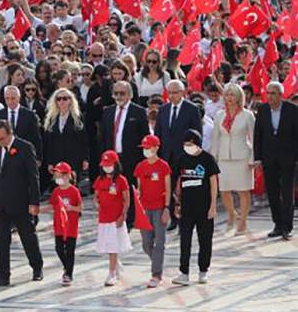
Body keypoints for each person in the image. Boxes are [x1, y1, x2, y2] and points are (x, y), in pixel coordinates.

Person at [0, 120, 43, 287]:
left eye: (2, 138)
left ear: (10, 133)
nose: (0, 141)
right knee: (1, 240)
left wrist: (34, 202)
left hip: (20, 201)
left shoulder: (25, 147)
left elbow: (33, 177)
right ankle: (3, 275)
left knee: (28, 236)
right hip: (1, 202)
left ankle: (37, 267)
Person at [171, 130, 219, 286]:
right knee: (185, 241)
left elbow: (213, 183)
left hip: (204, 207)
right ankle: (184, 272)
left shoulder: (207, 159)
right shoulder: (181, 159)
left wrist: (213, 206)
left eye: (190, 144)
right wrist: (177, 204)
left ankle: (203, 271)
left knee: (205, 240)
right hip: (186, 208)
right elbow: (177, 182)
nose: (188, 147)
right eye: (185, 144)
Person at [154, 80, 202, 231]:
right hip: (167, 157)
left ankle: (185, 221)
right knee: (168, 190)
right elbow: (158, 132)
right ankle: (174, 219)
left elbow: (197, 134)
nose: (172, 95)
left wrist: (193, 155)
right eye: (170, 92)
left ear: (183, 93)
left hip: (185, 156)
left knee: (185, 191)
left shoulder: (192, 109)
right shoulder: (163, 109)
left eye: (175, 92)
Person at [100, 81, 149, 228]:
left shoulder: (138, 112)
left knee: (129, 188)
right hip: (112, 158)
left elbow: (144, 136)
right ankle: (115, 216)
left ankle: (131, 218)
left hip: (131, 157)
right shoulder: (108, 112)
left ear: (129, 95)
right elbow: (103, 136)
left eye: (122, 93)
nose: (119, 96)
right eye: (116, 93)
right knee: (113, 189)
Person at [253, 82, 298, 241]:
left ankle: (287, 226)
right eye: (268, 93)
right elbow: (258, 135)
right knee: (272, 193)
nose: (269, 96)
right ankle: (277, 225)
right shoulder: (263, 110)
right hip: (268, 158)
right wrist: (257, 158)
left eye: (273, 93)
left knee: (287, 194)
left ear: (281, 95)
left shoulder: (292, 110)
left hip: (288, 159)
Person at [210, 82, 255, 235]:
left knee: (243, 191)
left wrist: (253, 159)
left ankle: (243, 220)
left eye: (232, 95)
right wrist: (212, 158)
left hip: (242, 156)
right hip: (223, 157)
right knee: (224, 190)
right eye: (227, 95)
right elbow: (215, 137)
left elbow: (253, 138)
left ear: (238, 97)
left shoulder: (247, 115)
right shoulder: (219, 115)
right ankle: (231, 214)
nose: (229, 98)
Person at [134, 135, 172, 288]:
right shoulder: (140, 167)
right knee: (146, 243)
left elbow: (168, 188)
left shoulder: (163, 166)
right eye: (144, 148)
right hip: (145, 208)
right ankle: (157, 261)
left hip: (159, 208)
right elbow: (139, 188)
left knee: (160, 242)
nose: (146, 150)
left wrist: (167, 208)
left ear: (156, 148)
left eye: (148, 147)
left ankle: (156, 273)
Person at [94, 150, 132, 287]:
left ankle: (112, 273)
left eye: (109, 165)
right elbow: (96, 196)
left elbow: (127, 200)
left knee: (112, 246)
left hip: (116, 219)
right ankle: (115, 264)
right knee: (108, 246)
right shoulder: (100, 179)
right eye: (104, 165)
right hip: (103, 218)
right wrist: (97, 203)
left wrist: (123, 215)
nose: (106, 167)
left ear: (115, 164)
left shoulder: (121, 180)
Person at [43, 87, 89, 195]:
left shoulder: (77, 117)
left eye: (65, 98)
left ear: (70, 100)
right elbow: (49, 142)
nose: (62, 101)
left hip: (73, 157)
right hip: (57, 157)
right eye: (58, 99)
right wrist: (50, 162)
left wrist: (85, 158)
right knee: (58, 185)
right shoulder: (51, 119)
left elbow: (83, 139)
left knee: (72, 185)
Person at [43, 162, 82, 287]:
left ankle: (68, 274)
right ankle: (67, 267)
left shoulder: (74, 191)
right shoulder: (56, 191)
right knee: (59, 249)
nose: (57, 178)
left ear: (67, 176)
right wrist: (38, 209)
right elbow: (52, 205)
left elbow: (80, 208)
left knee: (70, 251)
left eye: (59, 175)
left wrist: (71, 208)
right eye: (56, 175)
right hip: (59, 226)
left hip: (71, 227)